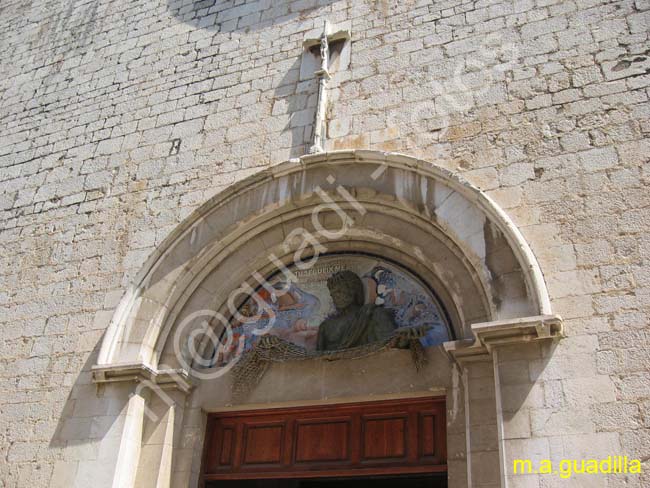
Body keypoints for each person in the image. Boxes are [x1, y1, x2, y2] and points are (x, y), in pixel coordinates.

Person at [316, 270, 396, 351]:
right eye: (332, 294)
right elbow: (317, 360)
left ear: (353, 289)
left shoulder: (373, 314)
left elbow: (391, 346)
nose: (335, 296)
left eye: (339, 291)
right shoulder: (325, 327)